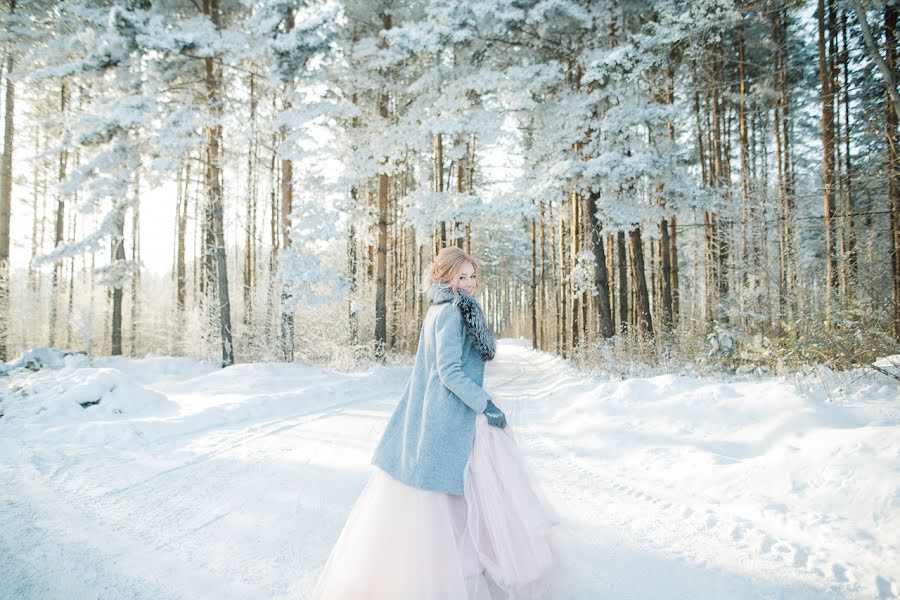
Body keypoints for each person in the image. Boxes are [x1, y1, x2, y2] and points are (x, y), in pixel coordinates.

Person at [311, 246, 558, 600]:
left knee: (459, 497)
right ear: (446, 278)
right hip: (448, 417)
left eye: (473, 276)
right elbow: (449, 372)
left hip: (446, 414)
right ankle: (454, 572)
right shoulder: (450, 313)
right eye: (462, 277)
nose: (470, 283)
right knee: (454, 498)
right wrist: (483, 403)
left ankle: (464, 568)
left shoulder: (446, 309)